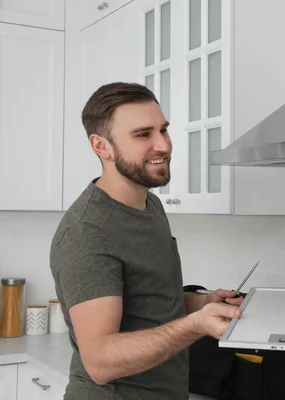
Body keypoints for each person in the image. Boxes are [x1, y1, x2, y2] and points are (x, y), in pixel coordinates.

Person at [49, 82, 243, 400]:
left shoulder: (149, 204)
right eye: (143, 135)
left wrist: (205, 304)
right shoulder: (86, 234)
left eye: (163, 130)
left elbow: (148, 300)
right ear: (102, 146)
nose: (163, 145)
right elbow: (100, 361)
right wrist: (197, 325)